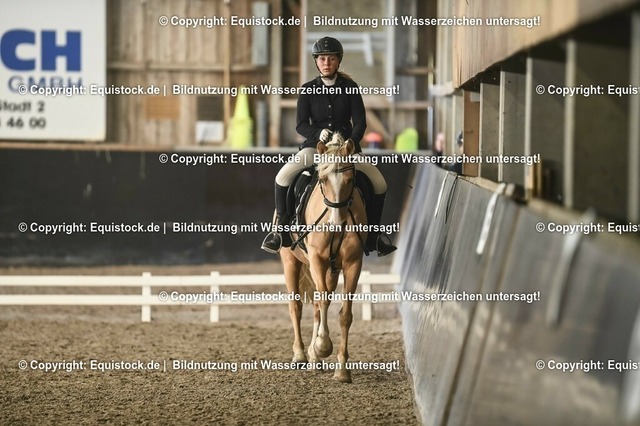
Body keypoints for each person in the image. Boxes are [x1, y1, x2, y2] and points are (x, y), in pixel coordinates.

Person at [261, 36, 396, 256]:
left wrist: (352, 140)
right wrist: (317, 134)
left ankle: (374, 235)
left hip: (345, 151)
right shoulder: (307, 90)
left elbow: (360, 122)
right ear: (316, 61)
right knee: (282, 177)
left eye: (331, 58)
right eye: (322, 59)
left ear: (338, 61)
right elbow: (300, 124)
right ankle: (280, 231)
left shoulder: (350, 88)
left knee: (379, 183)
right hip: (316, 149)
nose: (326, 63)